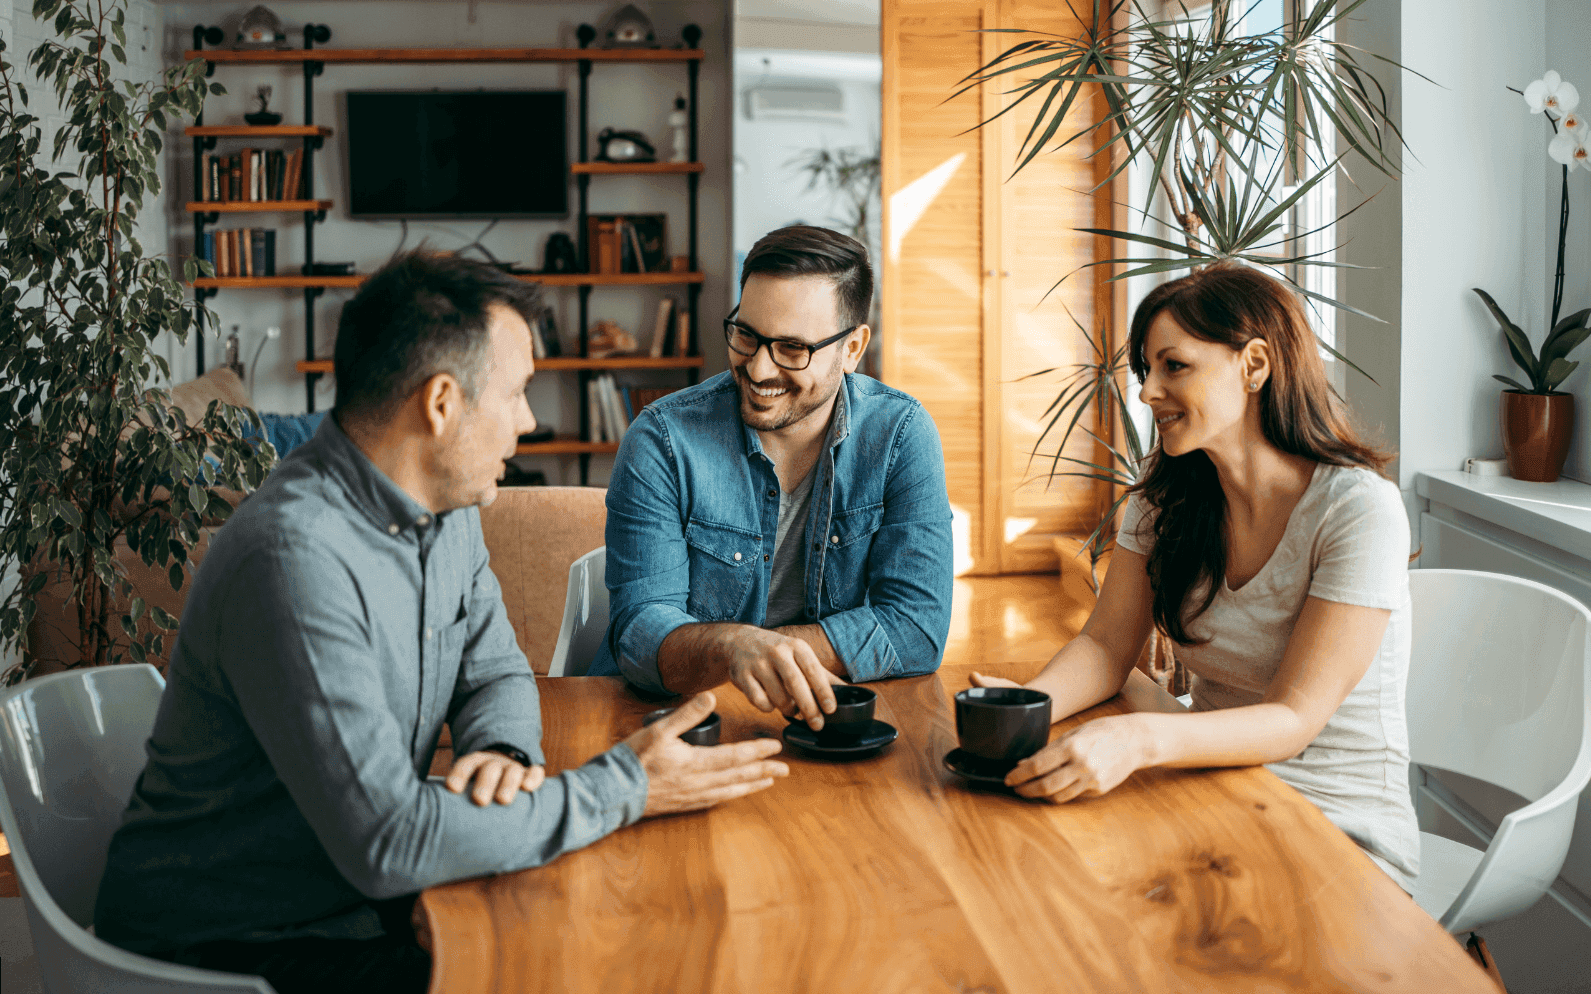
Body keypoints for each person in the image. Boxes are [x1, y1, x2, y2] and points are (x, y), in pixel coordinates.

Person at [93, 251, 789, 994]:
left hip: (349, 899)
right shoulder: (294, 561)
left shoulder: (443, 509)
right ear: (441, 403)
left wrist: (504, 755)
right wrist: (627, 788)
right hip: (226, 948)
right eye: (518, 392)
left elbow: (494, 670)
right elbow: (389, 843)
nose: (527, 420)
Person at [972, 264, 1419, 891]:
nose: (1149, 392)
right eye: (1146, 372)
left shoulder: (1359, 510)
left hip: (1337, 828)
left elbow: (1293, 717)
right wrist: (1030, 708)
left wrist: (1139, 739)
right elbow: (1105, 646)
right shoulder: (1165, 501)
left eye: (1173, 366)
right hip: (1211, 791)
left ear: (1254, 365)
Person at [591, 225, 953, 729]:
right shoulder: (663, 439)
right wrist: (733, 648)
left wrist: (767, 654)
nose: (758, 369)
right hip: (677, 724)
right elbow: (638, 635)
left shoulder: (900, 435)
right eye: (746, 335)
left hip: (828, 723)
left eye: (791, 348)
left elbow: (917, 627)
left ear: (852, 349)